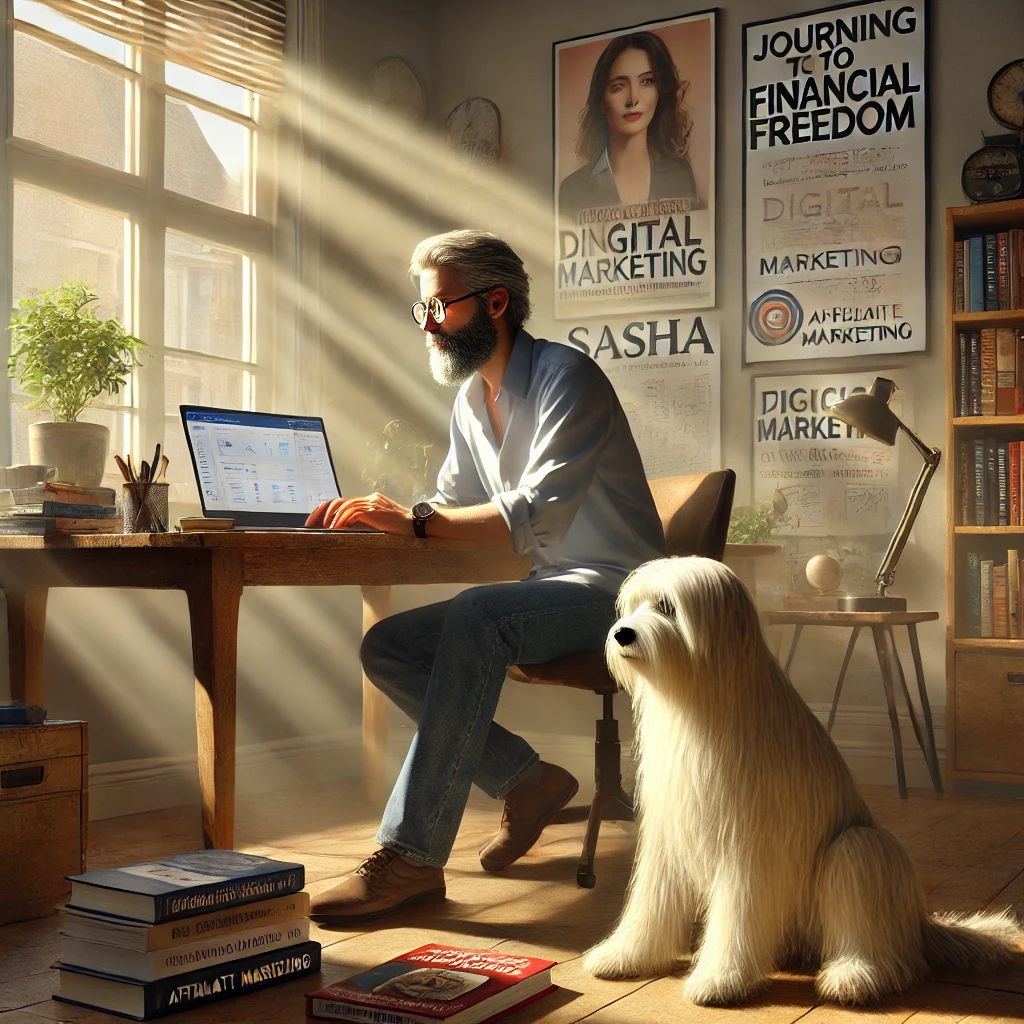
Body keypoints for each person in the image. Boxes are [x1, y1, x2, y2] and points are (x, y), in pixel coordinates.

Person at [307, 230, 665, 922]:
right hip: (556, 587)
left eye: (440, 307)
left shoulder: (569, 377)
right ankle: (527, 781)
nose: (428, 325)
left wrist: (411, 520)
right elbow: (451, 509)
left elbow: (533, 516)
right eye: (422, 311)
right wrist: (377, 517)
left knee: (476, 614)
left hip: (629, 593)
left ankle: (409, 858)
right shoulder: (473, 402)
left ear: (495, 302)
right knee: (389, 646)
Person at [558, 31, 698, 220]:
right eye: (618, 86)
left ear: (660, 92)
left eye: (647, 82)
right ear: (601, 101)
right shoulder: (573, 189)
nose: (633, 99)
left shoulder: (680, 176)